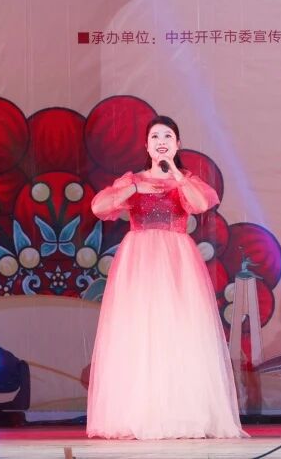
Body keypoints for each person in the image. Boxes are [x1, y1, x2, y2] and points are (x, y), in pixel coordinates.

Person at [86, 116, 246, 439]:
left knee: (180, 332)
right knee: (140, 332)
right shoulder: (132, 180)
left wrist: (175, 173)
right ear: (146, 145)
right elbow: (99, 207)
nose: (161, 142)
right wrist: (133, 188)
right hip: (140, 259)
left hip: (177, 262)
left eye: (168, 136)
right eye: (155, 136)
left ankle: (181, 413)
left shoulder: (184, 180)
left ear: (177, 144)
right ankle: (139, 413)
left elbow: (201, 204)